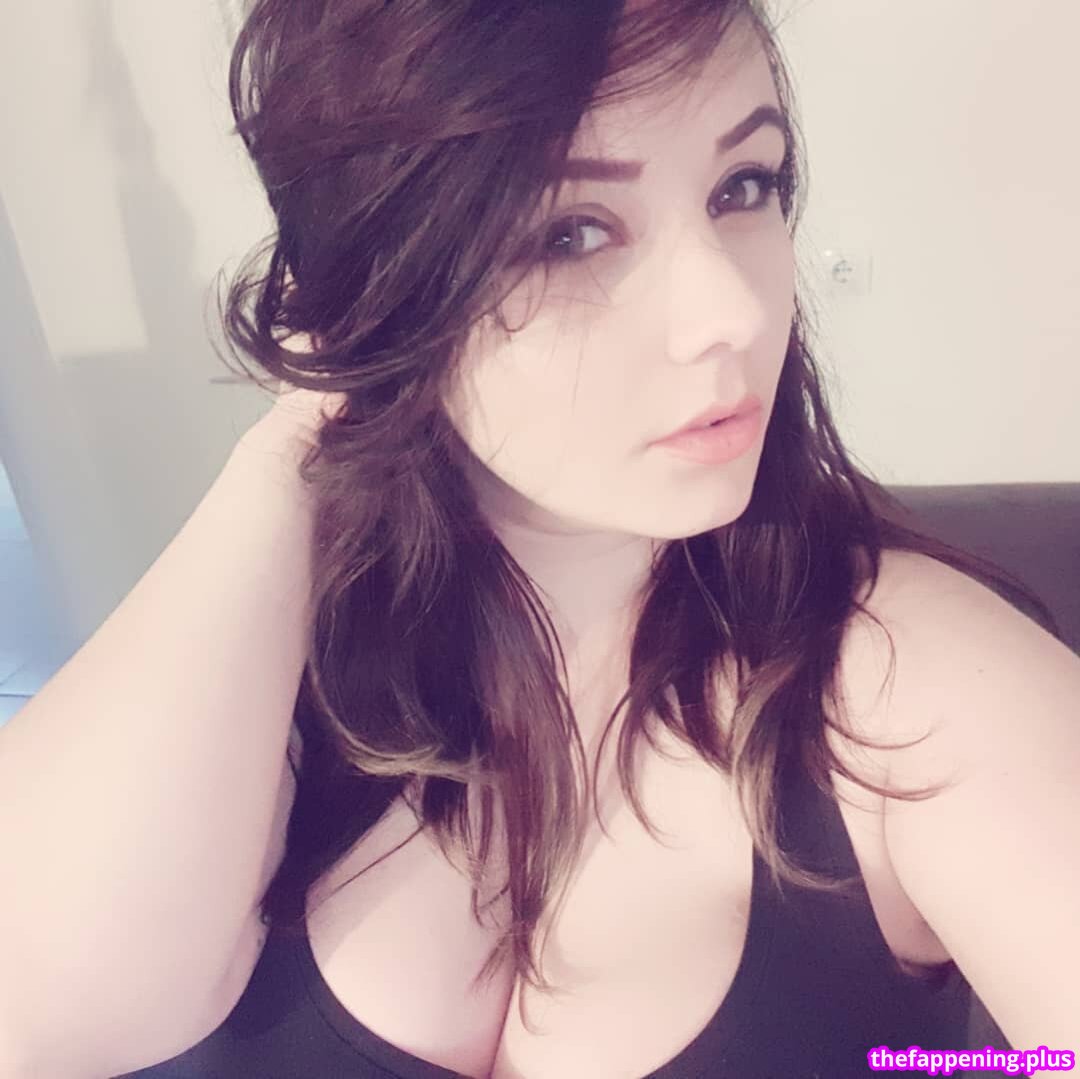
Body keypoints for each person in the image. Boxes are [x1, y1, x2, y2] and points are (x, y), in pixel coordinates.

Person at [2, 1, 1077, 1077]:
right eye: (568, 232)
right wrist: (302, 432)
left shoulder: (909, 685)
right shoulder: (276, 669)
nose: (734, 313)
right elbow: (43, 1017)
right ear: (382, 286)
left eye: (743, 186)